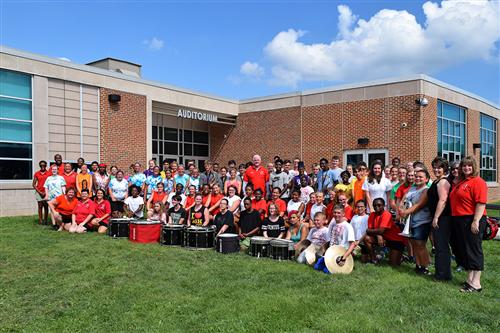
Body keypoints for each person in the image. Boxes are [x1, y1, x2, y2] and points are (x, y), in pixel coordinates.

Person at [449, 156, 488, 293]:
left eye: (469, 166)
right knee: (466, 250)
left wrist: (475, 221)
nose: (466, 168)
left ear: (474, 167)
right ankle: (469, 280)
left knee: (474, 249)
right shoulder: (463, 181)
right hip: (460, 219)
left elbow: (481, 202)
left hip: (472, 218)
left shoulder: (478, 182)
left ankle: (476, 283)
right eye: (464, 166)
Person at [399, 169, 432, 275]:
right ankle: (418, 265)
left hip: (422, 221)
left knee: (420, 244)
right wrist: (400, 209)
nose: (417, 178)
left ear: (426, 179)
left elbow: (419, 205)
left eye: (420, 177)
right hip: (411, 222)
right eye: (416, 176)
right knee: (414, 243)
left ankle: (425, 267)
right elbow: (403, 201)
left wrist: (405, 212)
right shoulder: (411, 188)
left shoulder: (426, 190)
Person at [428, 157, 453, 281]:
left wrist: (436, 217)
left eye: (439, 167)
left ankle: (443, 275)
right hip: (438, 218)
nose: (436, 169)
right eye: (435, 167)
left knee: (442, 247)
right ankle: (441, 273)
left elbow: (443, 200)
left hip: (442, 218)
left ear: (444, 169)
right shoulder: (436, 181)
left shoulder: (443, 182)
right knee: (439, 247)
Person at [363, 198, 407, 266]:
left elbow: (380, 230)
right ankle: (373, 259)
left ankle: (401, 257)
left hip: (397, 241)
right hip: (385, 239)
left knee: (393, 265)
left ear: (384, 206)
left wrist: (377, 233)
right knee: (367, 238)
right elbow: (369, 231)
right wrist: (378, 235)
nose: (376, 207)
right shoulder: (372, 215)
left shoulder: (387, 214)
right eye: (374, 205)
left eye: (379, 205)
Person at [315, 204, 356, 273]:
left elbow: (352, 244)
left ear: (343, 214)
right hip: (331, 252)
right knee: (317, 267)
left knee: (326, 271)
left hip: (341, 254)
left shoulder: (348, 226)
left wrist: (344, 258)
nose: (336, 215)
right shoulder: (333, 224)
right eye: (335, 212)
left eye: (339, 213)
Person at [33, 160, 50, 225]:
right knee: (40, 206)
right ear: (39, 166)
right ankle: (40, 220)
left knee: (46, 206)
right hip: (39, 192)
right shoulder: (37, 173)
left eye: (44, 165)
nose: (43, 166)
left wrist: (46, 192)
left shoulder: (49, 173)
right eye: (41, 165)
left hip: (46, 192)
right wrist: (39, 192)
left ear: (46, 166)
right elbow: (34, 184)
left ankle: (45, 220)